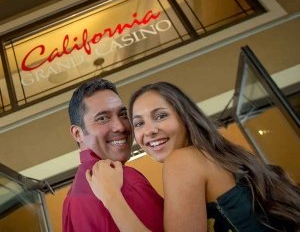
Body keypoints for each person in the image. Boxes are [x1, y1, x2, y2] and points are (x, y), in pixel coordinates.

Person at [86, 81, 300, 232]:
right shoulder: (217, 156)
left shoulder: (182, 161)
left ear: (185, 117)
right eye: (139, 123)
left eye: (160, 116)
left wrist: (111, 197)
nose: (149, 131)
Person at [62, 78, 164, 232]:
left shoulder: (70, 201)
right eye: (102, 118)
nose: (120, 126)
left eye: (123, 114)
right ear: (78, 133)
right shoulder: (125, 180)